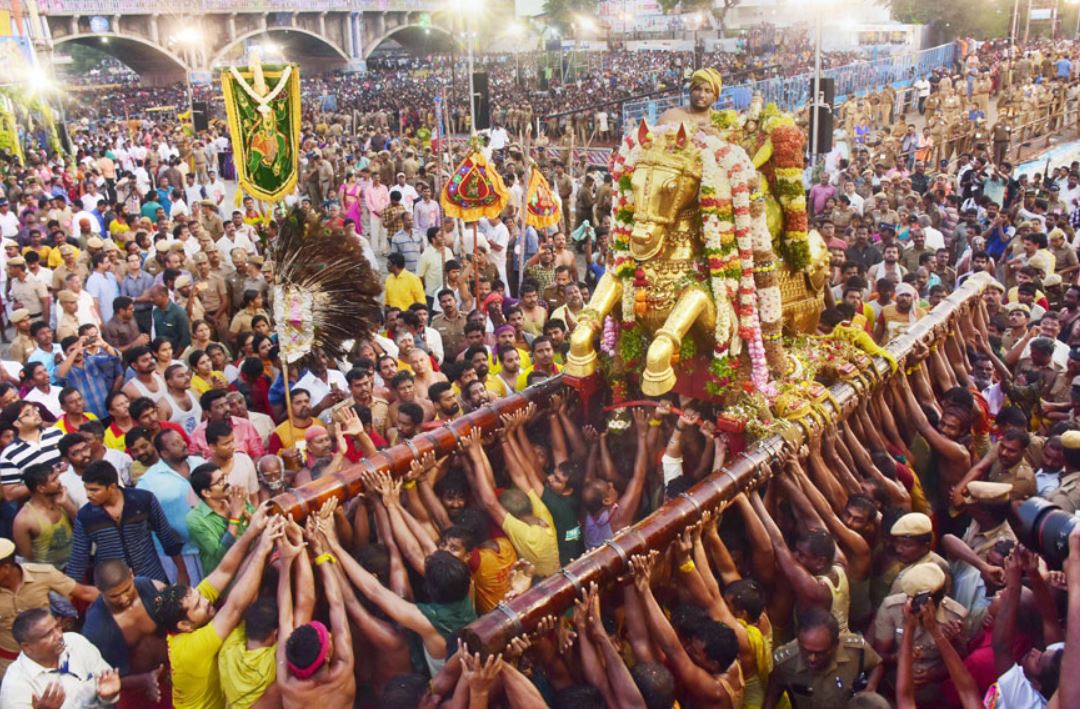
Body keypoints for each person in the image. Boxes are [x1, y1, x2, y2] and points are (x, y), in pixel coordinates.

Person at [154, 504, 277, 709]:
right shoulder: (190, 648)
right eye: (198, 605)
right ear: (184, 625)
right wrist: (262, 549)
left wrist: (253, 532)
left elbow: (224, 571)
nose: (206, 600)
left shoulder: (190, 605)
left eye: (199, 596)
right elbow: (235, 607)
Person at [67, 460, 189, 586]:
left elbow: (167, 537)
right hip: (116, 587)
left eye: (94, 490)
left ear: (112, 487)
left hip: (152, 578)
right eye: (86, 490)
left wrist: (182, 573)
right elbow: (78, 558)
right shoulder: (85, 516)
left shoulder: (143, 500)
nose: (88, 495)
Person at [765, 607, 883, 708]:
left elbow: (877, 664)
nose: (812, 658)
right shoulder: (785, 660)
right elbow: (774, 689)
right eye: (806, 651)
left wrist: (870, 689)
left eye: (820, 653)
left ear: (835, 645)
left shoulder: (855, 650)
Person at [0, 608, 120, 708]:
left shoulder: (75, 642)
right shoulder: (15, 685)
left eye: (57, 627)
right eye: (48, 634)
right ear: (27, 647)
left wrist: (107, 696)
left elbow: (108, 689)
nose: (59, 636)